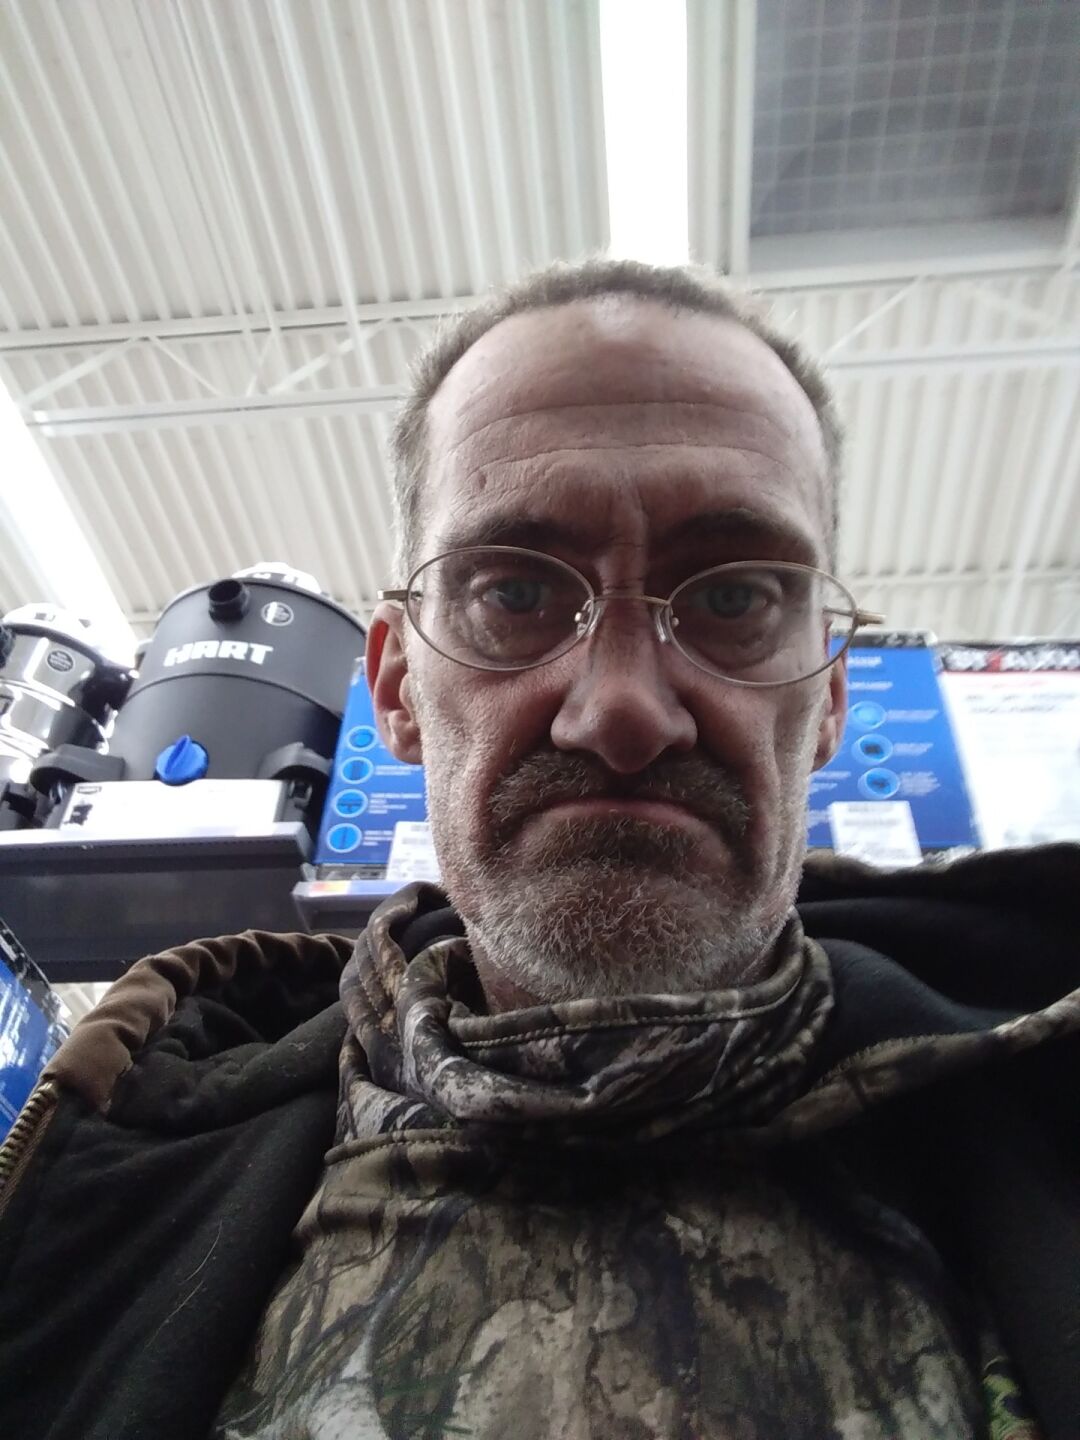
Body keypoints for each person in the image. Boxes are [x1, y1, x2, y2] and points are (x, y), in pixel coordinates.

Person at [0, 258, 1077, 1440]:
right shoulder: (118, 1188)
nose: (621, 710)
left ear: (828, 696)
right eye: (513, 592)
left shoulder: (1042, 1104)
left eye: (733, 599)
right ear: (397, 687)